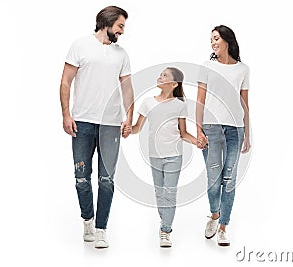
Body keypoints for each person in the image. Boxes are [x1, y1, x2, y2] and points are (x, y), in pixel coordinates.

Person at [59, 6, 134, 249]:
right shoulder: (80, 46)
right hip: (82, 122)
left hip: (111, 124)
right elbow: (66, 81)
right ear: (108, 22)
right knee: (82, 177)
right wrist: (66, 114)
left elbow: (127, 88)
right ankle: (87, 221)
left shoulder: (121, 54)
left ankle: (101, 229)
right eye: (120, 26)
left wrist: (129, 117)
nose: (122, 31)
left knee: (106, 179)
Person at [128, 67, 197, 247]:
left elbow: (183, 133)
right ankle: (164, 222)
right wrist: (127, 130)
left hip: (174, 156)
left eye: (165, 75)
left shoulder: (180, 105)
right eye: (160, 74)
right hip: (155, 156)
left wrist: (197, 141)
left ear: (174, 84)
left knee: (170, 193)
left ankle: (165, 230)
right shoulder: (147, 102)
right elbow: (137, 128)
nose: (160, 77)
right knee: (159, 193)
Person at [196, 25, 251, 246]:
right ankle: (215, 214)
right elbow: (200, 100)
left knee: (229, 180)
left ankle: (223, 227)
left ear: (227, 40)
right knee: (213, 178)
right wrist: (198, 129)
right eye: (211, 40)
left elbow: (245, 104)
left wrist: (248, 133)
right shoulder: (206, 66)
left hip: (235, 130)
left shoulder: (243, 69)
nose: (213, 43)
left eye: (216, 38)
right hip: (211, 127)